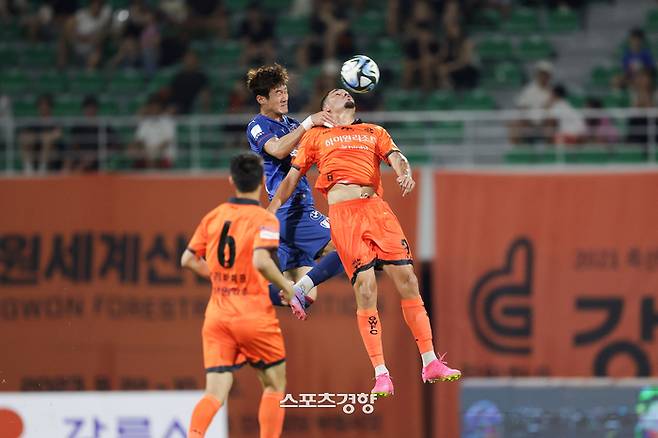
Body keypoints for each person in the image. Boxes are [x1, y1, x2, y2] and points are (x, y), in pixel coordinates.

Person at [268, 88, 461, 396]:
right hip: (345, 214)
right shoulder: (316, 137)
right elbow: (291, 177)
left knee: (409, 280)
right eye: (333, 92)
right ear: (326, 109)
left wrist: (403, 173)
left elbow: (396, 157)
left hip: (377, 211)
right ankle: (381, 373)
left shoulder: (374, 131)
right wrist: (273, 209)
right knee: (366, 288)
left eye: (344, 90)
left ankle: (430, 361)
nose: (341, 91)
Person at [182, 153, 296, 438]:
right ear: (261, 181)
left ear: (231, 180)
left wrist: (221, 277)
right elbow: (261, 261)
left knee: (215, 392)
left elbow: (187, 259)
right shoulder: (264, 219)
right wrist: (287, 285)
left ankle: (194, 434)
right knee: (273, 385)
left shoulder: (214, 216)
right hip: (253, 315)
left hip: (218, 315)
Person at [246, 64, 345, 320]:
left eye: (285, 90)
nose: (284, 96)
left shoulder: (292, 124)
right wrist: (310, 122)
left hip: (292, 213)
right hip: (292, 211)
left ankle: (244, 294)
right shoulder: (257, 125)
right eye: (277, 92)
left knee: (305, 295)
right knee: (347, 244)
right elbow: (278, 149)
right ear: (261, 99)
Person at [18, 94, 64, 174]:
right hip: (35, 149)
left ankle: (43, 167)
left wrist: (46, 137)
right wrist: (35, 137)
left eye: (46, 105)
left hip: (52, 151)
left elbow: (58, 134)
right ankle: (28, 167)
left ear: (50, 107)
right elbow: (24, 134)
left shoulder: (55, 121)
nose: (43, 107)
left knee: (47, 138)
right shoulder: (34, 122)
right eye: (41, 105)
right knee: (25, 138)